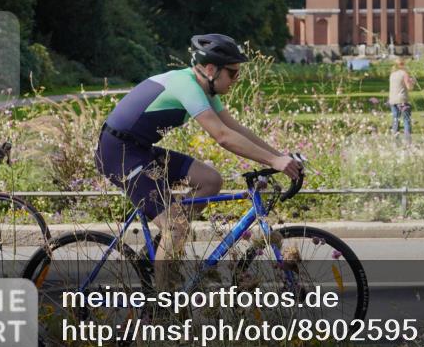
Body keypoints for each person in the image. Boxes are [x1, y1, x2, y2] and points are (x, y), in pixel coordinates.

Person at [95, 34, 302, 287]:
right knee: (176, 226)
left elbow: (234, 127)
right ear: (212, 69)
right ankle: (164, 308)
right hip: (118, 153)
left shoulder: (204, 86)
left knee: (210, 181)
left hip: (140, 149)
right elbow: (223, 137)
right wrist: (274, 160)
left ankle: (164, 250)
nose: (237, 79)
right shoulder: (188, 86)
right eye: (233, 73)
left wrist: (278, 157)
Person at [388, 58, 415, 144]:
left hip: (392, 100)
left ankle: (395, 141)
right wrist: (412, 82)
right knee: (406, 119)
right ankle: (408, 141)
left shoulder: (392, 74)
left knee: (395, 119)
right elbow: (409, 87)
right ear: (402, 64)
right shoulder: (404, 73)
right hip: (402, 99)